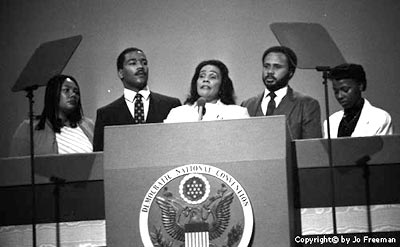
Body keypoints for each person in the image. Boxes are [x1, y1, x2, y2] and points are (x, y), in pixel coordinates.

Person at [93, 47, 181, 151]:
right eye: (133, 63)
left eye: (144, 63)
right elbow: (100, 158)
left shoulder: (171, 105)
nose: (140, 67)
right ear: (121, 73)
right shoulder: (106, 114)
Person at [241, 46, 322, 139]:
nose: (270, 71)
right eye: (266, 66)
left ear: (290, 72)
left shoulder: (307, 105)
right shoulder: (247, 105)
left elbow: (311, 148)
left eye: (277, 67)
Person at [9, 75, 94, 156]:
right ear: (53, 93)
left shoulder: (89, 125)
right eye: (66, 90)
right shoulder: (30, 128)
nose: (73, 95)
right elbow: (17, 166)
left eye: (76, 92)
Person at [164, 60, 249, 122]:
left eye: (212, 77)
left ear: (222, 85)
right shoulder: (177, 113)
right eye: (202, 76)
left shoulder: (237, 114)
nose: (205, 80)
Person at [324, 63, 393, 138]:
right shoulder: (330, 122)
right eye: (336, 91)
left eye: (345, 90)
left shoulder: (380, 118)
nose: (339, 96)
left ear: (360, 86)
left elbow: (384, 149)